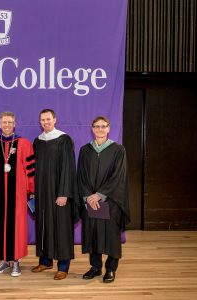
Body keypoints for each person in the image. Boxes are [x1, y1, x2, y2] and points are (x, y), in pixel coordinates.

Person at [77, 116, 130, 283]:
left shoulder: (118, 150)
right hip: (90, 202)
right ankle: (95, 267)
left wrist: (99, 195)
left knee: (112, 236)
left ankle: (111, 269)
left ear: (108, 128)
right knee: (93, 234)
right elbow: (81, 176)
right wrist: (88, 197)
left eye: (103, 126)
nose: (100, 129)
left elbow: (118, 176)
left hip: (110, 201)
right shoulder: (85, 150)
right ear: (92, 129)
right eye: (97, 126)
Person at [31, 108, 80, 280]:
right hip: (43, 193)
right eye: (42, 120)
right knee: (43, 226)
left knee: (61, 228)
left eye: (48, 119)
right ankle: (45, 261)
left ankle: (63, 266)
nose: (45, 122)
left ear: (55, 120)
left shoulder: (64, 140)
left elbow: (68, 168)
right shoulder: (38, 141)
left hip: (59, 193)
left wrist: (64, 193)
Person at [0, 111, 35, 277]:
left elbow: (30, 170)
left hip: (18, 195)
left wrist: (31, 190)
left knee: (17, 227)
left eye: (10, 122)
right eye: (4, 122)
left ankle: (16, 262)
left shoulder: (24, 144)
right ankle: (4, 261)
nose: (6, 125)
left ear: (14, 124)